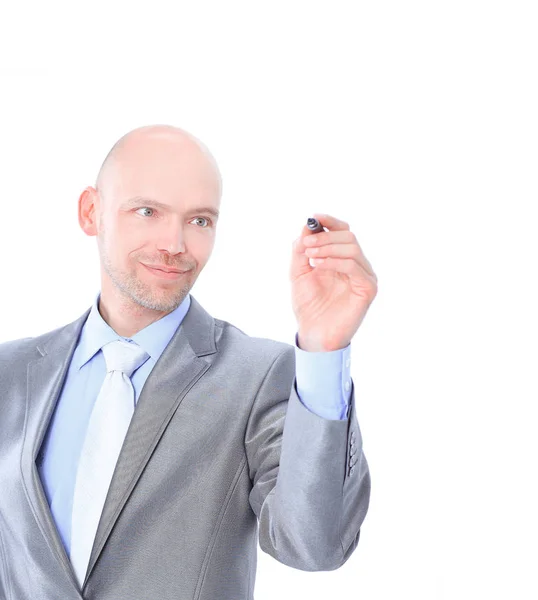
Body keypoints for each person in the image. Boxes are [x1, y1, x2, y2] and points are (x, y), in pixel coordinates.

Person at [0, 124, 377, 600]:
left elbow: (315, 546)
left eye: (199, 220)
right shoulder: (10, 373)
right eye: (147, 211)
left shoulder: (258, 377)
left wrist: (324, 349)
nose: (175, 244)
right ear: (91, 212)